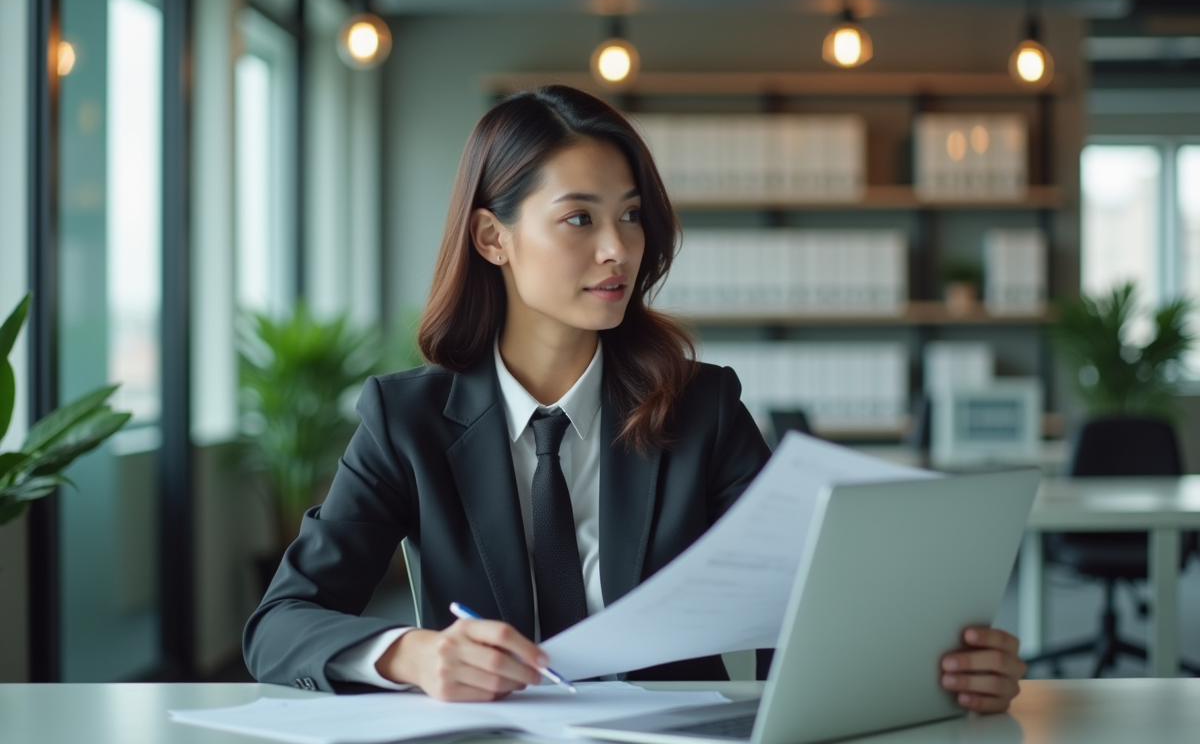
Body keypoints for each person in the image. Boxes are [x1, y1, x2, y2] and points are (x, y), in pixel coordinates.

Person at [243, 85, 1026, 711]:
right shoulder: (406, 421)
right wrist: (412, 655)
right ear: (492, 239)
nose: (618, 249)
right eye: (578, 218)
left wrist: (939, 668)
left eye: (629, 216)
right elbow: (280, 623)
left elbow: (808, 605)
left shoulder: (702, 407)